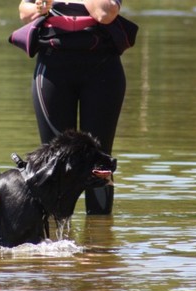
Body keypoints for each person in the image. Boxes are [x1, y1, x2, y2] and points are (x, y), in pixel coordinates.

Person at [18, 0, 126, 215]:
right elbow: (24, 11)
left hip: (102, 69)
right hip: (52, 68)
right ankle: (53, 238)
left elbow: (105, 13)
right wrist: (39, 8)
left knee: (99, 159)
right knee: (52, 157)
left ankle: (98, 240)